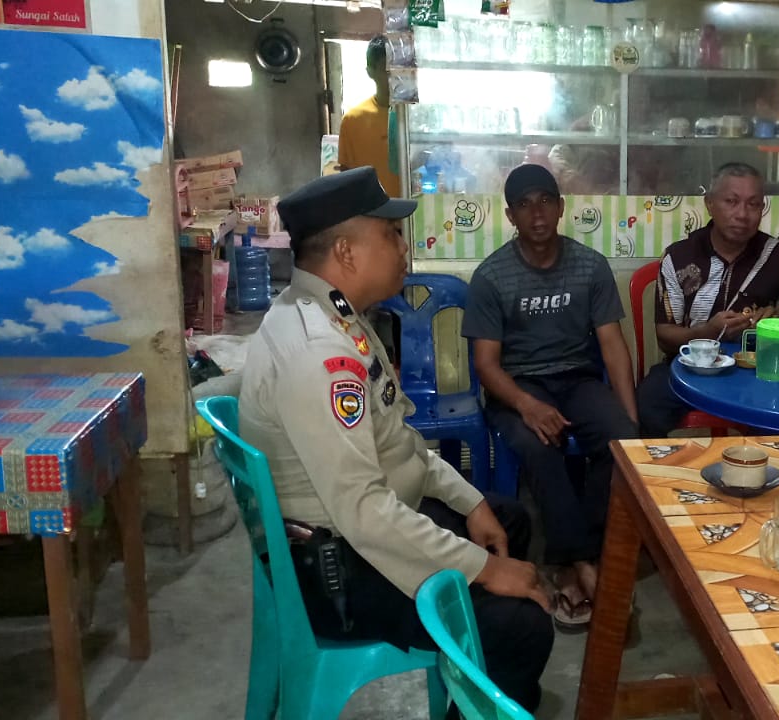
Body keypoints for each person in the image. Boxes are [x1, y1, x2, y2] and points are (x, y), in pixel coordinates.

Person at [238, 167, 552, 713]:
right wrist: (484, 570)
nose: (404, 247)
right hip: (338, 569)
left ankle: (474, 680)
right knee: (522, 626)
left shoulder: (334, 316)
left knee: (505, 520)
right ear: (346, 252)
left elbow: (398, 438)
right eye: (391, 235)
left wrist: (468, 500)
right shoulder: (319, 354)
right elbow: (364, 511)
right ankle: (487, 674)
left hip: (354, 527)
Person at [463, 164, 638, 631]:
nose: (537, 213)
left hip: (577, 380)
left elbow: (612, 345)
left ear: (561, 208)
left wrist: (631, 419)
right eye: (524, 204)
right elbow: (485, 365)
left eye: (545, 201)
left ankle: (581, 556)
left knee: (620, 440)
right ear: (510, 215)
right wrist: (526, 404)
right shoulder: (492, 276)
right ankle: (579, 566)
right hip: (517, 386)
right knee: (539, 447)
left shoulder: (589, 265)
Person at [636, 163, 779, 438]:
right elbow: (665, 336)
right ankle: (657, 477)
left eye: (753, 204)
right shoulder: (679, 257)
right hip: (692, 368)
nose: (742, 214)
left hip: (759, 371)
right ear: (710, 204)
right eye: (731, 202)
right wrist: (708, 332)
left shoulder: (776, 255)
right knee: (647, 401)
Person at [337, 37, 402, 196]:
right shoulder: (353, 120)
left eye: (400, 68)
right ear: (370, 72)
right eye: (387, 70)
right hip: (375, 215)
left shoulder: (421, 119)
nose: (395, 76)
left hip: (421, 213)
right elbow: (346, 177)